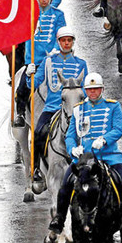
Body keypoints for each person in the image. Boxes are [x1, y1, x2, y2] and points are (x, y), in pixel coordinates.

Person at [46, 72, 122, 242]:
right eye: (90, 90)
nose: (93, 93)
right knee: (64, 186)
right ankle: (59, 220)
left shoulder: (113, 106)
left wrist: (105, 139)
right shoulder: (78, 110)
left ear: (102, 90)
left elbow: (119, 128)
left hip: (109, 157)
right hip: (85, 159)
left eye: (96, 89)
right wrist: (73, 149)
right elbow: (70, 135)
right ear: (85, 91)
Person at [30, 26, 88, 184]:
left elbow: (86, 87)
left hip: (75, 110)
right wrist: (30, 75)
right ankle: (36, 169)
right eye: (63, 41)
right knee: (38, 134)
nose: (66, 43)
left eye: (69, 40)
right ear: (59, 42)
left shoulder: (81, 64)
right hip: (52, 108)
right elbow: (36, 81)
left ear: (73, 42)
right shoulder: (49, 62)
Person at [13, 0, 67, 126]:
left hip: (52, 59)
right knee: (23, 85)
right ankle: (20, 114)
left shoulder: (58, 14)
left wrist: (56, 49)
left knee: (70, 82)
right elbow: (19, 32)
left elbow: (61, 34)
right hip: (34, 61)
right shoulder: (29, 13)